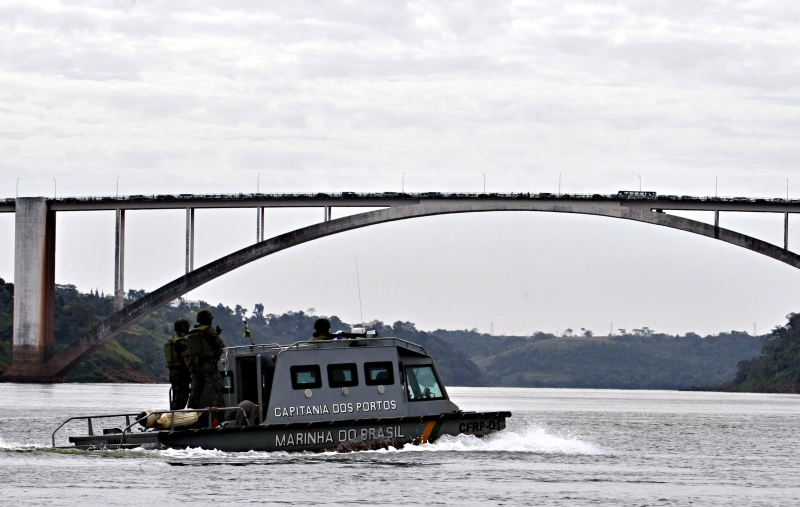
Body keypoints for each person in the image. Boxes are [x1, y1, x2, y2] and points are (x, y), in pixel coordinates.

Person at [185, 309, 227, 411]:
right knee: (217, 389)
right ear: (209, 319)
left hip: (195, 367)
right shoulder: (208, 330)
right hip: (208, 365)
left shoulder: (192, 332)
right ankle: (219, 417)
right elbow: (221, 344)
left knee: (194, 393)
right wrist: (216, 335)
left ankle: (188, 416)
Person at [165, 318, 192, 410]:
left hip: (173, 372)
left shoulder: (172, 341)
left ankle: (172, 417)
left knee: (176, 396)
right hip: (181, 372)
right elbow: (186, 359)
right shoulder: (182, 341)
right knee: (182, 397)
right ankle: (176, 419)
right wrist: (192, 371)